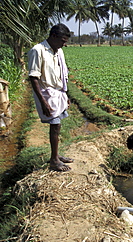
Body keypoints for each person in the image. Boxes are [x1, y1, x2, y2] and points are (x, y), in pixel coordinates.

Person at [28, 23, 73, 172]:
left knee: (58, 125)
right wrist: (43, 101)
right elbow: (34, 78)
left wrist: (65, 94)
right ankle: (54, 160)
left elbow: (63, 74)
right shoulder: (38, 50)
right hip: (47, 93)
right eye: (63, 40)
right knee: (55, 125)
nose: (64, 44)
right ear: (53, 36)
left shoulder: (58, 51)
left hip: (58, 93)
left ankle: (56, 155)